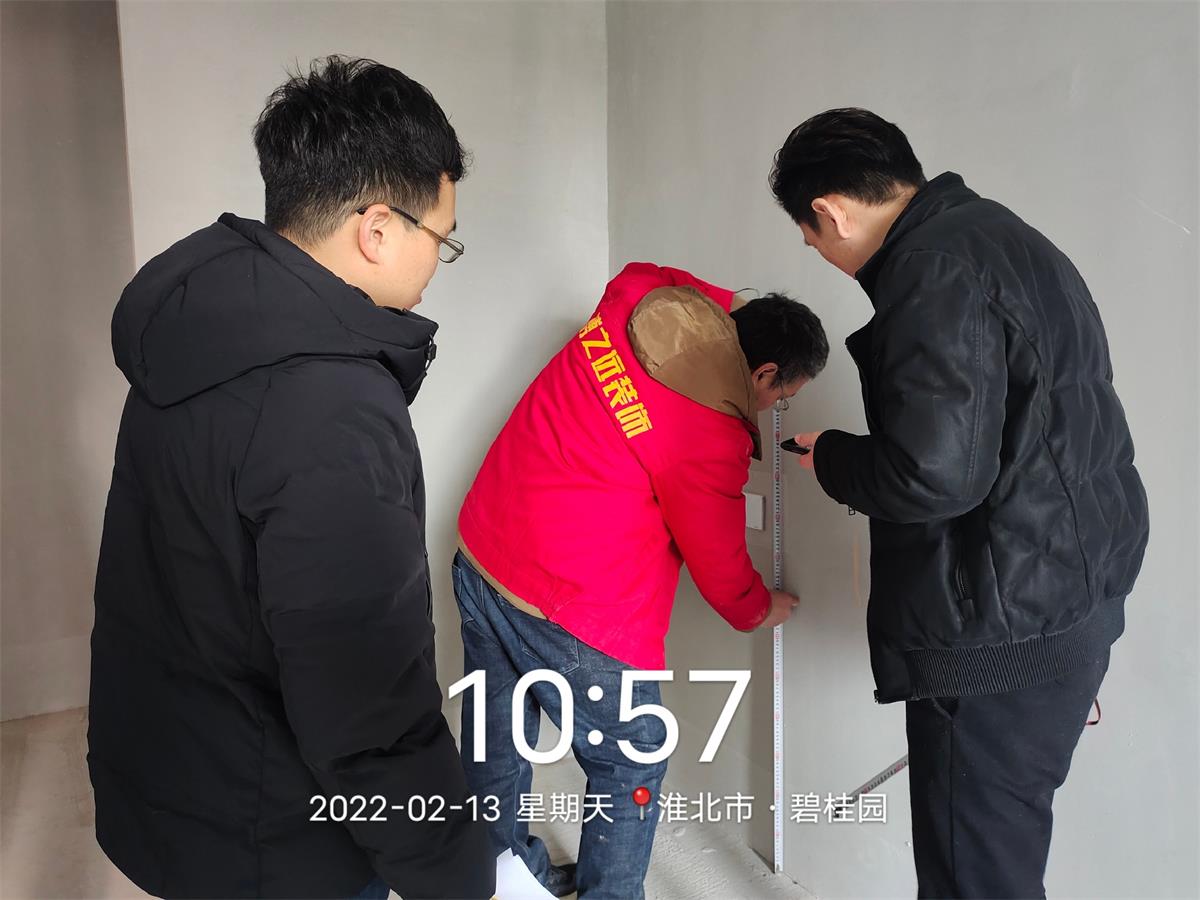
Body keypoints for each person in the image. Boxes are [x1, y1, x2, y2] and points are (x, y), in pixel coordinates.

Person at [88, 56, 493, 899]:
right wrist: (456, 875)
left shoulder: (200, 327)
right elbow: (366, 706)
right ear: (377, 229)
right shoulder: (332, 406)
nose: (437, 262)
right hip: (276, 838)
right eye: (441, 238)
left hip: (170, 790)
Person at [771, 108, 1149, 899]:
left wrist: (833, 457)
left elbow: (934, 477)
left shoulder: (929, 269)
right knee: (1001, 861)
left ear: (832, 213)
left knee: (973, 878)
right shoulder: (1003, 234)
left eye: (812, 239)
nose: (822, 254)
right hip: (1071, 599)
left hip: (997, 637)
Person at [454, 262, 828, 898]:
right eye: (781, 395)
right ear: (764, 374)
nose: (774, 406)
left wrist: (739, 306)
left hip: (485, 548)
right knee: (632, 757)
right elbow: (720, 567)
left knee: (498, 732)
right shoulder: (709, 437)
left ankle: (498, 877)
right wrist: (761, 608)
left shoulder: (635, 301)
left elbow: (650, 270)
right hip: (571, 606)